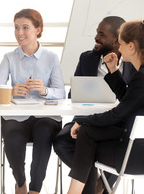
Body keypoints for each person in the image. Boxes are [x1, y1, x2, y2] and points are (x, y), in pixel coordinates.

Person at [64, 19, 144, 194]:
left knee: (86, 135)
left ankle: (75, 192)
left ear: (131, 46)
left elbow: (117, 114)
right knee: (87, 133)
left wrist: (82, 120)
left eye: (121, 43)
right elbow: (128, 99)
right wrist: (113, 70)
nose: (118, 48)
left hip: (141, 158)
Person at [53, 16, 136, 194]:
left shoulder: (133, 64)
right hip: (87, 120)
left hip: (117, 125)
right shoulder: (87, 58)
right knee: (61, 141)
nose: (96, 38)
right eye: (96, 33)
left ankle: (99, 187)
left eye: (101, 34)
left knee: (118, 149)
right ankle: (95, 185)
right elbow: (72, 95)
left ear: (116, 40)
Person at [0, 9, 65, 194]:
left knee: (44, 131)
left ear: (38, 30)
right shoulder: (9, 58)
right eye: (16, 27)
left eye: (25, 28)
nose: (19, 33)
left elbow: (61, 92)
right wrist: (11, 91)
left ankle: (35, 190)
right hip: (17, 116)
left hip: (46, 116)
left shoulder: (51, 57)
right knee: (12, 137)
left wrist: (45, 91)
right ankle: (20, 181)